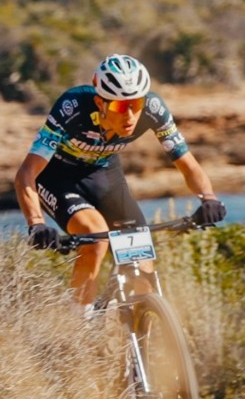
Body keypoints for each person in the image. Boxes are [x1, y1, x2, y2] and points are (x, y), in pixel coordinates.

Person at [14, 53, 227, 311]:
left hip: (104, 174)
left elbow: (187, 163)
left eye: (135, 105)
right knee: (95, 237)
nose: (129, 116)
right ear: (100, 103)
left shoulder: (153, 109)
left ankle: (139, 343)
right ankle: (79, 327)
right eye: (119, 107)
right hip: (58, 176)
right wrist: (36, 224)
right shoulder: (72, 108)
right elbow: (26, 173)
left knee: (142, 263)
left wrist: (208, 198)